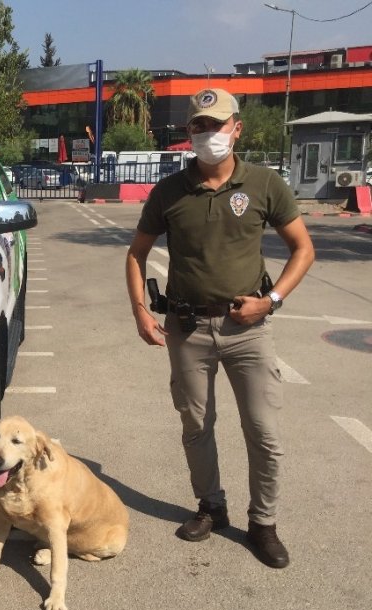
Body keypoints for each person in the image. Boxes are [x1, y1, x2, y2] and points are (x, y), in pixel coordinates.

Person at [125, 88, 315, 569]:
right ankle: (211, 507)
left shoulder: (265, 184)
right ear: (190, 133)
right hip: (186, 329)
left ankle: (263, 523)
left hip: (247, 327)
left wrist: (269, 301)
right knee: (196, 426)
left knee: (264, 433)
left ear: (237, 128)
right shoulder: (169, 191)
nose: (210, 134)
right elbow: (136, 253)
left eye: (218, 124)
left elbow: (303, 249)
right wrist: (141, 311)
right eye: (200, 126)